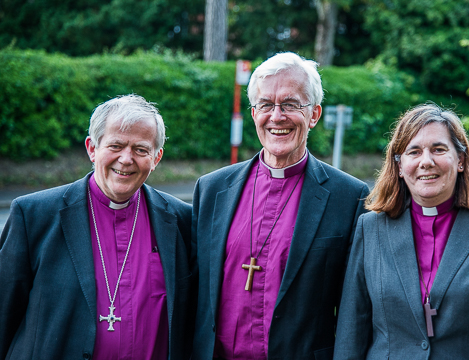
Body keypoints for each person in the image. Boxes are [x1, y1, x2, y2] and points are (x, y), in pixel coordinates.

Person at [191, 52, 370, 359]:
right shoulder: (211, 190)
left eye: (290, 105)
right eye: (265, 105)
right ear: (253, 112)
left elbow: (356, 308)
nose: (276, 116)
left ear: (314, 114)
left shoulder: (349, 197)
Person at [334, 103, 469, 359]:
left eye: (439, 149)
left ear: (461, 160)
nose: (426, 162)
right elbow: (351, 334)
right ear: (399, 166)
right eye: (414, 152)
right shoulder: (370, 229)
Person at [0, 94, 195, 359]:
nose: (126, 159)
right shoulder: (34, 215)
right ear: (92, 148)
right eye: (115, 146)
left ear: (156, 157)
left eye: (140, 149)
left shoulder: (181, 221)